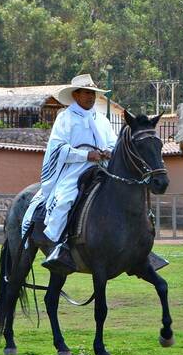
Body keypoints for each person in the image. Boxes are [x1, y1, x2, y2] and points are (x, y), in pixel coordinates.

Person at [23, 74, 117, 273]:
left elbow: (112, 141)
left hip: (103, 168)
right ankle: (60, 246)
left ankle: (136, 246)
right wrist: (86, 155)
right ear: (75, 95)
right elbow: (58, 149)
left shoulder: (102, 119)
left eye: (93, 93)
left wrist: (109, 151)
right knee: (66, 199)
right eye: (86, 93)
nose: (91, 97)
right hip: (74, 171)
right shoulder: (65, 118)